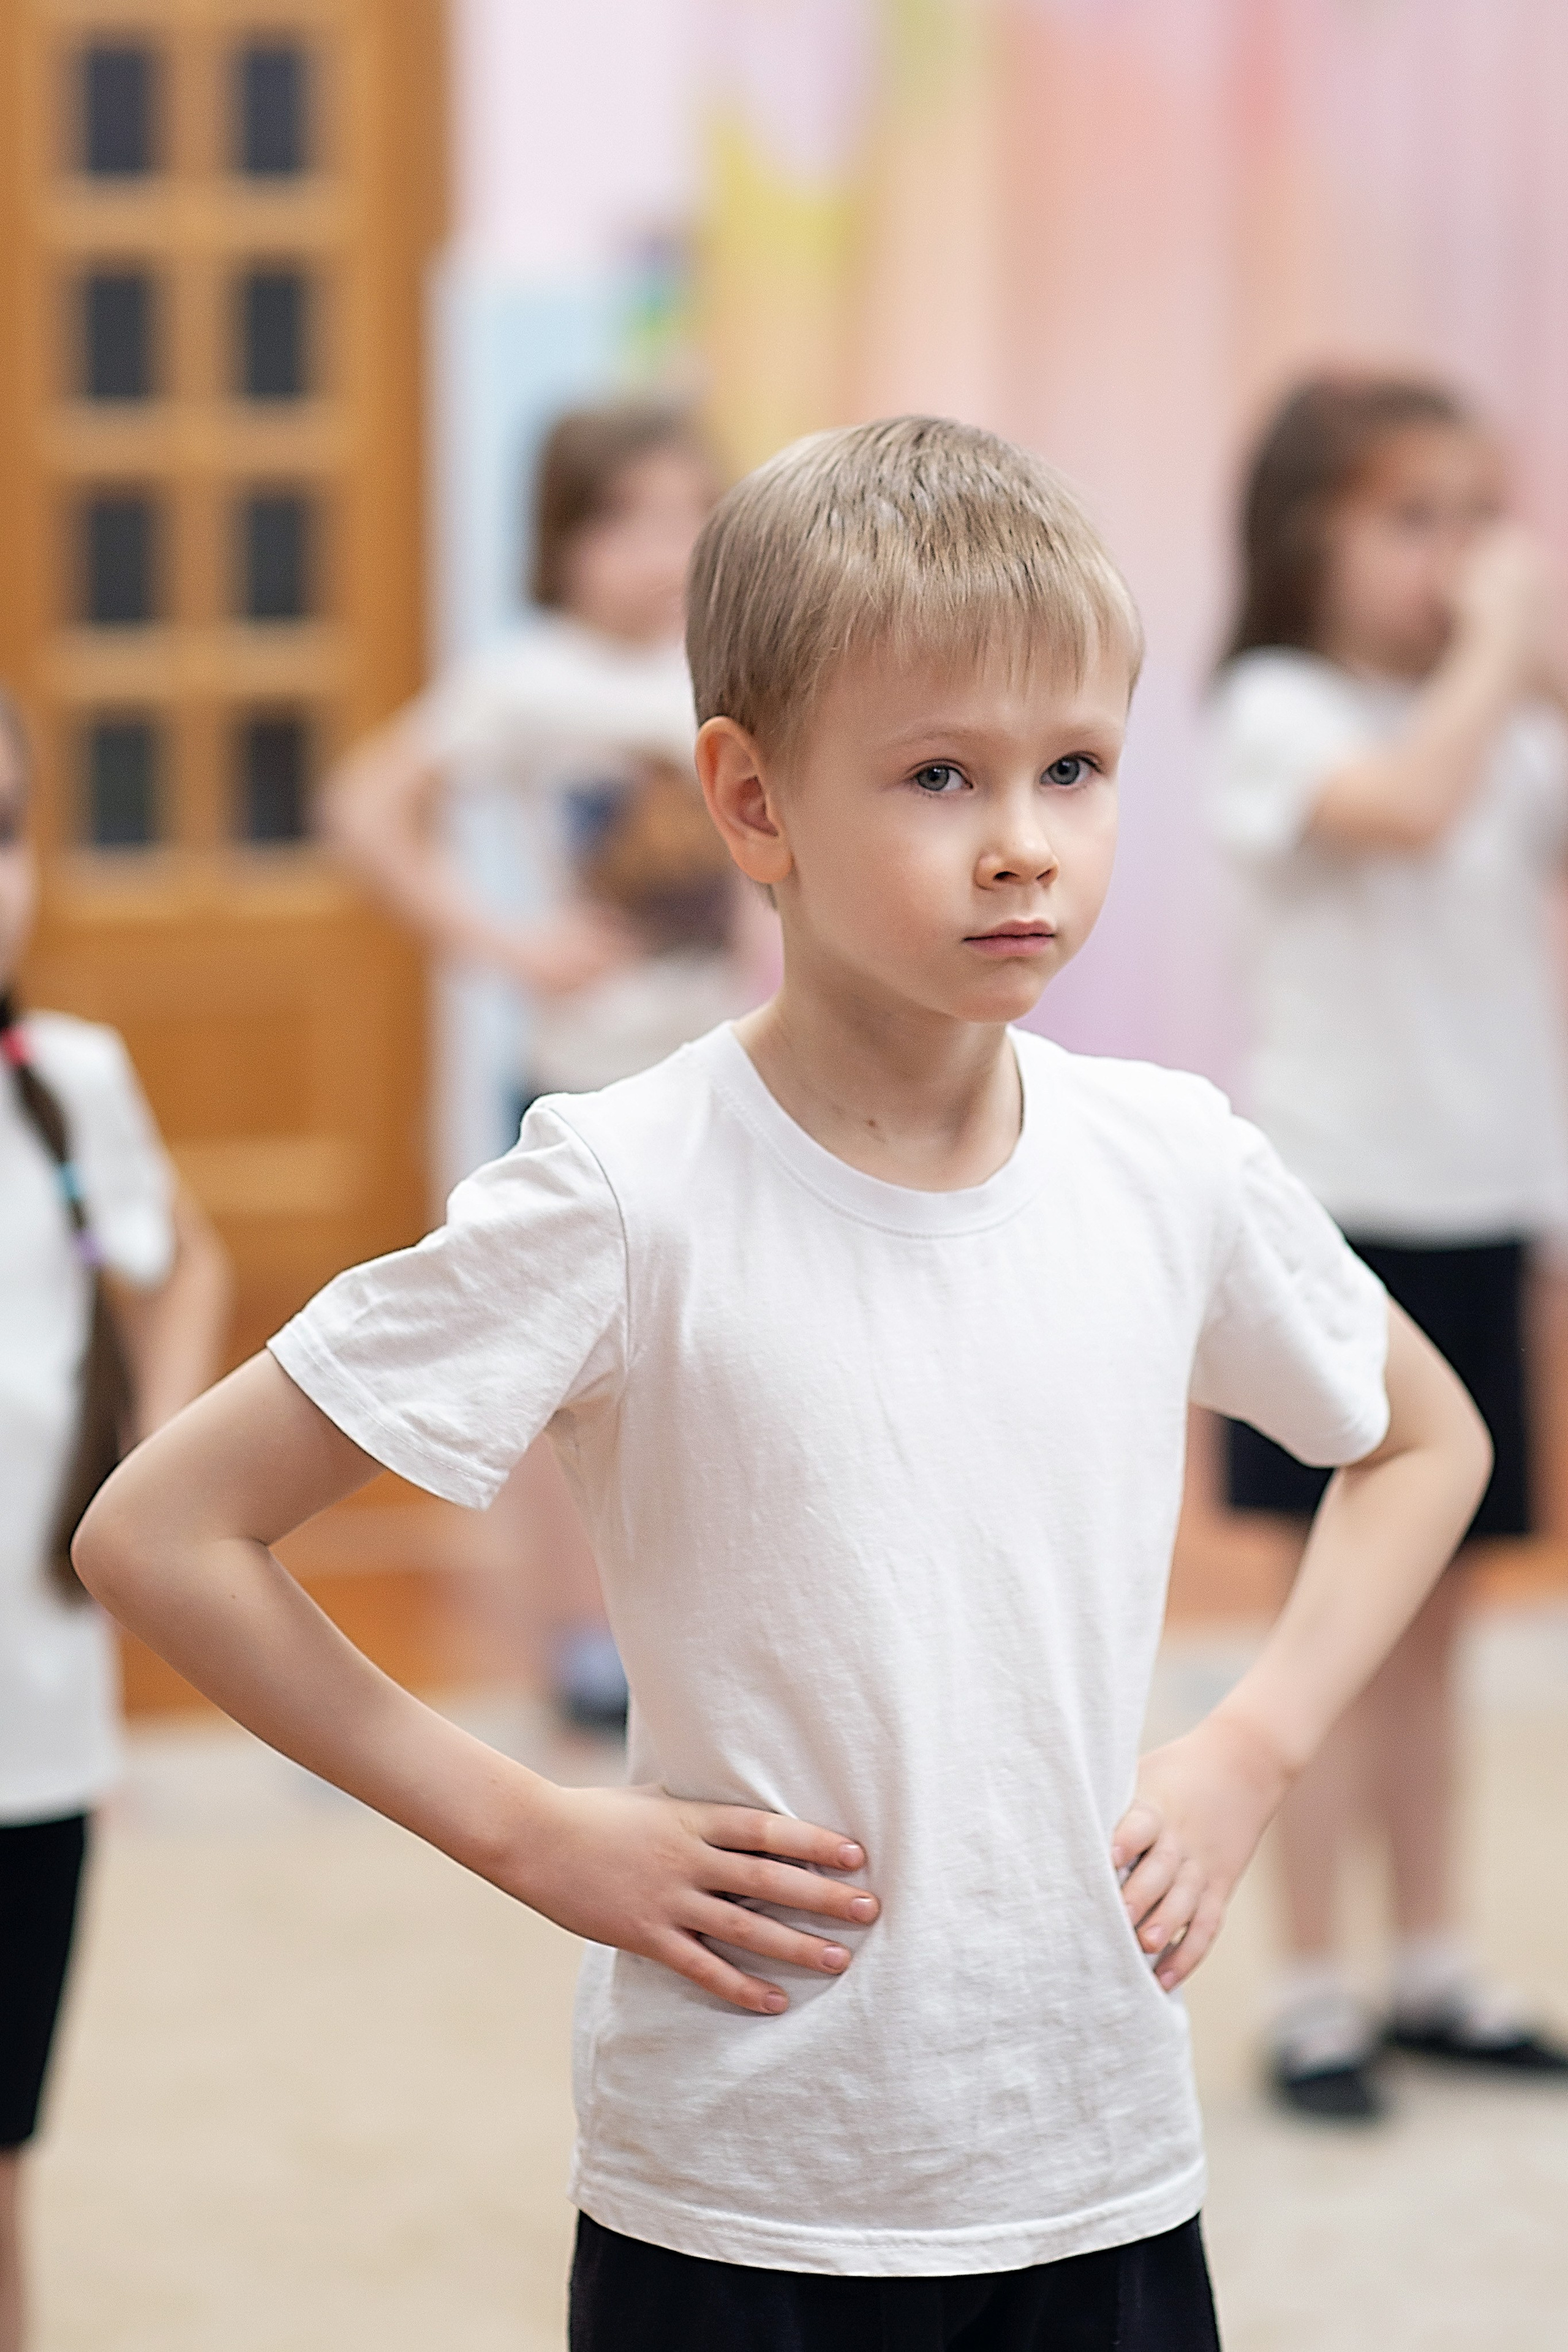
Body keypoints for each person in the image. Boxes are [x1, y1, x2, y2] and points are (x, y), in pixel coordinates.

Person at [76, 419, 1490, 2351]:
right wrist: (524, 1825)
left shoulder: (1173, 1163)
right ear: (750, 803)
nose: (1025, 841)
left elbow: (1424, 1437)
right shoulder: (621, 1188)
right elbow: (164, 1533)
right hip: (741, 2206)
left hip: (1098, 2165)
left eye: (1074, 768)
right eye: (939, 776)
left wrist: (1253, 1744)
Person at [1208, 372, 1568, 2121]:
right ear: (1307, 540)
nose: (1458, 561)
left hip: (1484, 1203)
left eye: (1476, 518)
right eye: (1412, 520)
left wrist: (1524, 669)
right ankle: (1314, 1990)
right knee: (1331, 1618)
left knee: (1443, 1619)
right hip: (1332, 1221)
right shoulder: (1277, 708)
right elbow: (1406, 808)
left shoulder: (1504, 724)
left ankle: (1436, 1962)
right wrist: (1503, 656)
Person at [327, 398, 758, 1732]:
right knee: (562, 1371)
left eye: (683, 513)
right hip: (576, 1085)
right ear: (558, 541)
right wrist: (507, 940)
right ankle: (578, 1635)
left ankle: (703, 1618)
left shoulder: (728, 665)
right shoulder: (527, 682)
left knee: (713, 1358)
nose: (655, 548)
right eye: (620, 519)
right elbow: (366, 804)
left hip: (723, 1077)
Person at [0, 696, 230, 2352]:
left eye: (6, 831)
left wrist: (154, 1440)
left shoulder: (69, 1083)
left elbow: (186, 1257)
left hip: (34, 1737)